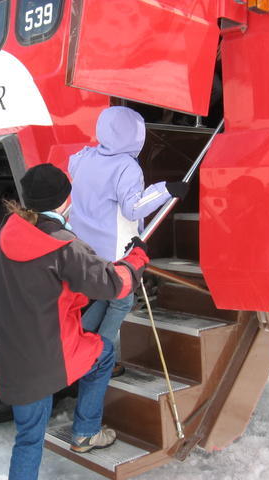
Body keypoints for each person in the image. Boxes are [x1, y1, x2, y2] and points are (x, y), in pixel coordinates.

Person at [0, 164, 149, 480]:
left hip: (13, 358)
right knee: (103, 354)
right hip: (51, 357)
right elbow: (114, 285)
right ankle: (86, 432)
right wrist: (137, 258)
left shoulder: (7, 232)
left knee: (28, 438)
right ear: (66, 200)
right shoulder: (65, 246)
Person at [68, 105, 190, 376]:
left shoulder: (84, 157)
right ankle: (100, 358)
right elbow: (133, 208)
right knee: (121, 300)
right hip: (114, 251)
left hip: (83, 246)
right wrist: (166, 190)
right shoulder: (126, 166)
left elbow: (72, 167)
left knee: (103, 296)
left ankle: (76, 344)